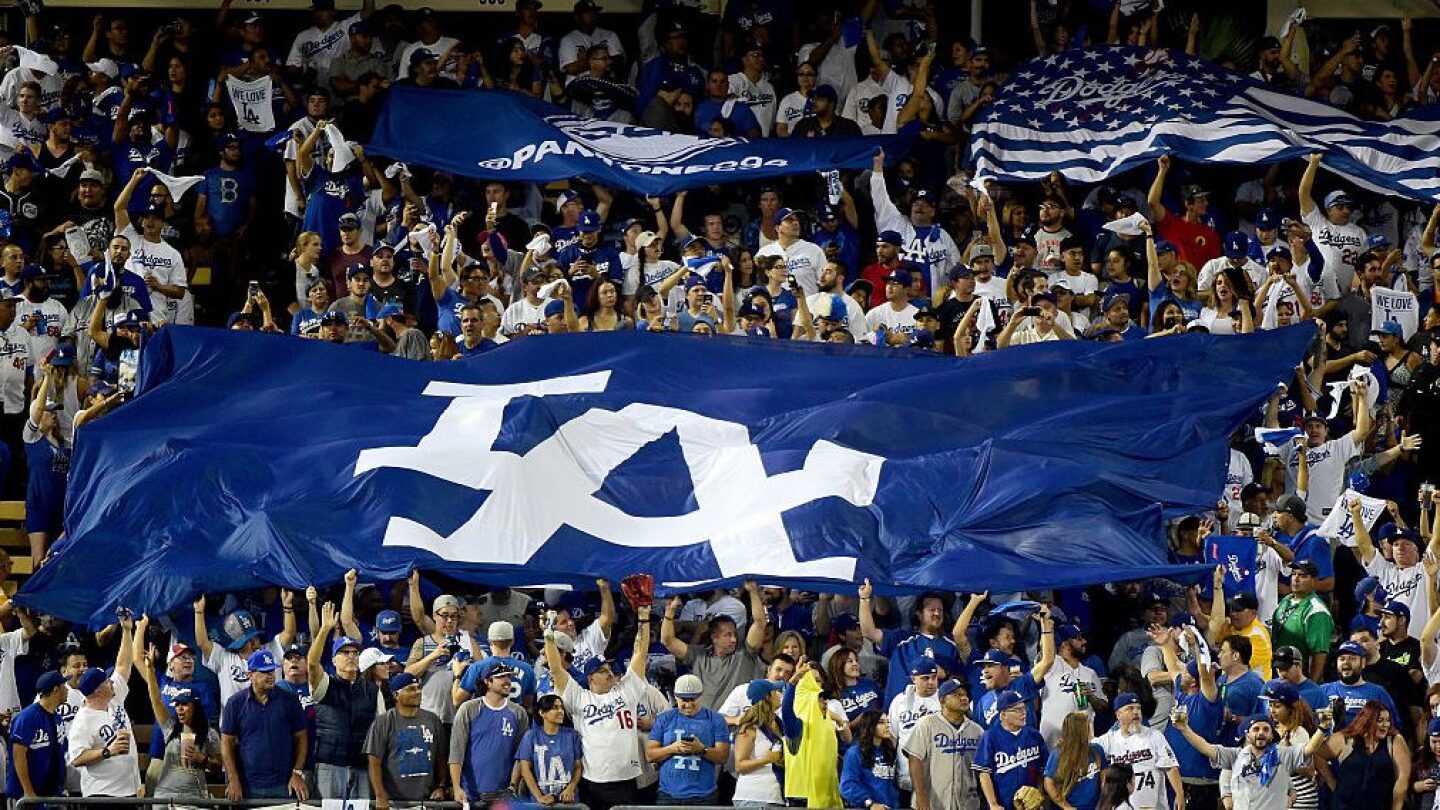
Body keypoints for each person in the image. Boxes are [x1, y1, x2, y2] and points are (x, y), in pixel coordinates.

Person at [548, 596, 652, 810]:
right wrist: (548, 637)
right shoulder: (579, 697)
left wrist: (643, 619)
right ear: (590, 678)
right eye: (603, 671)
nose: (609, 674)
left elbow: (640, 652)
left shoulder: (627, 690)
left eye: (610, 670)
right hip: (592, 782)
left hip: (626, 780)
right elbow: (556, 668)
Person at [1170, 708, 1327, 810]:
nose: (1261, 733)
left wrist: (1323, 728)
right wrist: (1185, 729)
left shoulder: (1281, 754)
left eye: (1266, 729)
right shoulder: (1236, 755)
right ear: (1247, 735)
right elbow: (1206, 748)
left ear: (1272, 735)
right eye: (1256, 729)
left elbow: (1309, 749)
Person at [311, 599, 380, 798]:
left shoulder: (371, 690)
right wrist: (325, 629)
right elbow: (312, 663)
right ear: (333, 660)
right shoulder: (325, 685)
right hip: (329, 765)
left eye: (354, 652)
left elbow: (379, 732)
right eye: (344, 653)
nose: (351, 656)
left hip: (362, 766)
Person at [220, 649, 310, 800]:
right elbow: (226, 743)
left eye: (272, 671)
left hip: (283, 785)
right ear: (250, 674)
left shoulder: (290, 701)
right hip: (247, 786)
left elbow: (302, 738)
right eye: (264, 672)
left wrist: (297, 772)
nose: (270, 676)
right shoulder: (235, 703)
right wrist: (233, 779)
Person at [661, 582, 766, 711]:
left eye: (734, 634)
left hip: (737, 727)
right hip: (704, 726)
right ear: (714, 637)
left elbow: (760, 624)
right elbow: (668, 640)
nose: (733, 639)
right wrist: (669, 611)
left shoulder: (745, 654)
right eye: (727, 635)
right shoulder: (697, 655)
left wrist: (753, 591)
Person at [449, 657, 529, 804]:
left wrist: (512, 787)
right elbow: (456, 752)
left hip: (503, 797)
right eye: (500, 677)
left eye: (508, 676)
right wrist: (456, 787)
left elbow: (521, 755)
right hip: (470, 795)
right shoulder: (469, 709)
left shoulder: (519, 713)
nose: (507, 681)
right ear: (487, 681)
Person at [1308, 700, 1410, 810]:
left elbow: (1402, 780)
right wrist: (1332, 783)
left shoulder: (1394, 741)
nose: (1386, 725)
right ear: (1367, 721)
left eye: (1388, 720)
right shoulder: (1345, 739)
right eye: (1380, 720)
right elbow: (1317, 754)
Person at [647, 673, 731, 804]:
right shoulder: (664, 719)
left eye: (693, 699)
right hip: (668, 795)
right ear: (676, 697)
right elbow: (650, 755)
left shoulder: (716, 720)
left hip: (703, 796)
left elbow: (723, 757)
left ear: (701, 696)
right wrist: (672, 748)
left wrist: (702, 749)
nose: (688, 704)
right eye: (684, 700)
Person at [365, 672, 445, 808]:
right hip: (394, 802)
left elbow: (441, 757)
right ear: (396, 695)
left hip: (426, 801)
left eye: (418, 687)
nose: (417, 692)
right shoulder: (383, 722)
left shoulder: (432, 720)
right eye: (411, 689)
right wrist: (379, 794)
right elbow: (374, 763)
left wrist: (441, 786)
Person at [903, 677, 984, 810]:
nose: (964, 698)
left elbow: (982, 769)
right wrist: (921, 796)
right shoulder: (927, 724)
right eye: (957, 694)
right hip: (932, 804)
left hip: (968, 804)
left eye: (965, 695)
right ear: (942, 700)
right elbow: (914, 759)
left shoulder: (977, 731)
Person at [1094, 693, 1183, 810]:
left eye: (1138, 708)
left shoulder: (1154, 736)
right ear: (1118, 715)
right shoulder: (1106, 741)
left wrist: (1179, 794)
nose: (1136, 712)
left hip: (1153, 805)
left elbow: (1171, 767)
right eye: (1130, 708)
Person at [780, 662, 843, 808]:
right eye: (818, 699)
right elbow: (786, 711)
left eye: (823, 698)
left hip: (828, 794)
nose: (824, 702)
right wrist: (792, 684)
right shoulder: (798, 727)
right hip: (803, 798)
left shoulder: (827, 724)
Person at [974, 689, 1048, 810]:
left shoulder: (1035, 736)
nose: (1023, 713)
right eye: (1017, 710)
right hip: (1002, 805)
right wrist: (993, 804)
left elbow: (1042, 771)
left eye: (1024, 708)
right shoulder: (990, 737)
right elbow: (984, 774)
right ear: (1003, 715)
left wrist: (1038, 795)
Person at [6, 671, 68, 803]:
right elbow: (18, 755)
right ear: (56, 690)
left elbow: (60, 755)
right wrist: (28, 791)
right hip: (25, 796)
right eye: (64, 686)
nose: (67, 689)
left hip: (52, 795)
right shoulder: (27, 717)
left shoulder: (57, 718)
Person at [517, 693, 584, 804]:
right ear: (542, 713)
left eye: (561, 707)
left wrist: (571, 788)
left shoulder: (572, 735)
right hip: (540, 801)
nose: (560, 711)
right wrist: (539, 797)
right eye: (555, 708)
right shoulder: (531, 736)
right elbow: (525, 769)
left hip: (569, 800)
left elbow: (578, 767)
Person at [732, 679, 785, 807]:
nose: (779, 695)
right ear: (767, 697)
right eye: (775, 692)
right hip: (754, 797)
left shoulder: (778, 723)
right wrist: (766, 759)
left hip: (776, 796)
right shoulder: (749, 728)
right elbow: (739, 765)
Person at [1044, 712, 1105, 810]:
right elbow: (1048, 783)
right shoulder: (1058, 754)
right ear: (1079, 730)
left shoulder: (1097, 750)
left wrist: (1103, 801)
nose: (1092, 726)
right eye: (1088, 724)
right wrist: (1065, 806)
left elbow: (1104, 779)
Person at [841, 710, 900, 810]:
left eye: (888, 722)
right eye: (881, 722)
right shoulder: (855, 752)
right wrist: (870, 803)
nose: (887, 726)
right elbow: (847, 786)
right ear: (870, 725)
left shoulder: (890, 751)